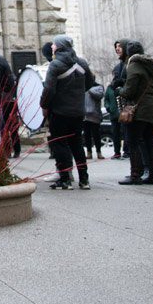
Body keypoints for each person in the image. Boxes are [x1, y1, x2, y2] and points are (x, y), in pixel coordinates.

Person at [40, 34, 95, 190]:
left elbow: (49, 89)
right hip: (78, 112)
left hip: (59, 112)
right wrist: (76, 95)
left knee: (60, 144)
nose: (52, 46)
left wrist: (44, 105)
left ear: (60, 47)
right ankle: (84, 180)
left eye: (54, 44)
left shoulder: (56, 65)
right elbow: (89, 83)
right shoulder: (82, 63)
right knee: (77, 144)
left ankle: (65, 179)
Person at [117, 41, 153, 185]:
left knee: (133, 141)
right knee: (150, 142)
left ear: (129, 52)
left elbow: (129, 91)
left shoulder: (134, 65)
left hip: (139, 108)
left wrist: (119, 90)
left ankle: (135, 175)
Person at [109, 40, 130, 160]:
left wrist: (119, 87)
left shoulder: (129, 64)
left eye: (120, 46)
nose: (117, 49)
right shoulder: (120, 65)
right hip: (123, 103)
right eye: (116, 46)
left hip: (130, 103)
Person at [83, 78, 105, 160]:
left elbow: (99, 96)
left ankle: (99, 152)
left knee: (96, 135)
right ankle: (89, 152)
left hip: (95, 115)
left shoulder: (99, 87)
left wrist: (89, 89)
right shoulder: (83, 87)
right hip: (84, 115)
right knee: (87, 135)